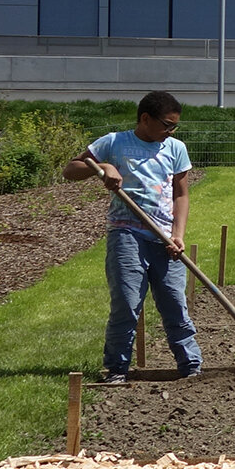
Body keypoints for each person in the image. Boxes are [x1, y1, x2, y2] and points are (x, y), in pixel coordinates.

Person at [62, 90, 202, 383]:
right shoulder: (114, 142)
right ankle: (116, 369)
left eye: (175, 126)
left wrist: (178, 235)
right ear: (145, 118)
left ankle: (191, 367)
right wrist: (104, 167)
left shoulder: (175, 148)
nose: (171, 131)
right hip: (126, 233)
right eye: (166, 124)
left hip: (164, 237)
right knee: (127, 303)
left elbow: (181, 194)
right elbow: (71, 169)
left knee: (175, 302)